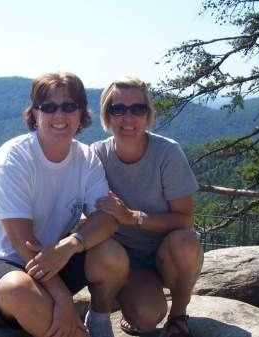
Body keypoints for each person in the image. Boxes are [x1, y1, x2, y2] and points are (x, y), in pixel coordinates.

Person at [0, 72, 128, 337]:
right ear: (35, 113)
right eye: (48, 107)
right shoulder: (12, 161)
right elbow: (21, 244)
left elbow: (108, 218)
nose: (59, 115)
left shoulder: (86, 159)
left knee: (111, 254)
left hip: (50, 260)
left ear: (81, 111)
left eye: (69, 106)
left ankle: (99, 320)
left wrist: (70, 245)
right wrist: (63, 301)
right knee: (20, 289)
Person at [92, 78, 203, 337]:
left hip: (167, 253)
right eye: (118, 109)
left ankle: (178, 315)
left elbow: (185, 220)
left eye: (137, 109)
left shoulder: (167, 153)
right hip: (125, 261)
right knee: (146, 318)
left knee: (186, 242)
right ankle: (128, 300)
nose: (128, 117)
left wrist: (133, 218)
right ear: (106, 114)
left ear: (148, 114)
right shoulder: (96, 155)